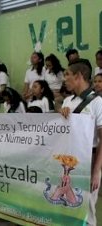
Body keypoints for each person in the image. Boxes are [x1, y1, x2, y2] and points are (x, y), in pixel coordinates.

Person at [60, 59, 102, 226]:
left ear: (78, 76)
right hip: (68, 161)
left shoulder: (98, 103)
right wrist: (61, 117)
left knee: (87, 207)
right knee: (68, 205)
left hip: (90, 160)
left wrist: (96, 172)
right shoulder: (67, 101)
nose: (65, 79)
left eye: (67, 75)